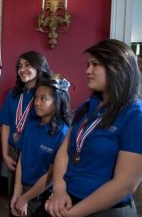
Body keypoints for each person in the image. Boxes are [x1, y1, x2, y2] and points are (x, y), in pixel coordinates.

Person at [45, 39, 142, 217]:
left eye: (95, 64)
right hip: (69, 200)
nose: (88, 71)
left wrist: (73, 213)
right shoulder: (87, 106)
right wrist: (59, 191)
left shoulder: (135, 115)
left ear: (117, 68)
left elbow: (125, 184)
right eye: (88, 64)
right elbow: (65, 151)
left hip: (108, 211)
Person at [0, 51, 52, 216]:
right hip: (13, 151)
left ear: (39, 67)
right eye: (20, 66)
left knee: (32, 202)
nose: (22, 69)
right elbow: (5, 125)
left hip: (35, 153)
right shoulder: (13, 94)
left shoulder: (47, 96)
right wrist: (5, 154)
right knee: (13, 195)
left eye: (28, 65)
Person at [10, 77, 72, 216]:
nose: (37, 103)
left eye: (43, 98)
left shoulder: (63, 134)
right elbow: (21, 158)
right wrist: (17, 192)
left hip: (41, 195)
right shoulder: (31, 125)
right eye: (36, 98)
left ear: (57, 102)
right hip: (22, 189)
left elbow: (51, 175)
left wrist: (26, 198)